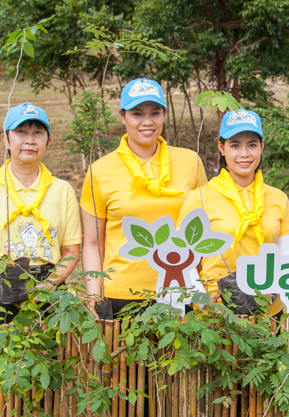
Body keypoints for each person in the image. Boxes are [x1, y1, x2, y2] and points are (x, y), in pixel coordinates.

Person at [0, 103, 82, 391]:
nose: (30, 140)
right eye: (21, 132)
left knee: (47, 372)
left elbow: (71, 252)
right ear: (5, 139)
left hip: (47, 286)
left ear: (48, 141)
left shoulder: (62, 190)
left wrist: (50, 284)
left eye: (38, 133)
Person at [81, 77, 207, 316]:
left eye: (154, 113)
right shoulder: (99, 170)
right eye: (137, 113)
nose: (147, 122)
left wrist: (203, 287)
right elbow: (92, 243)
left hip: (181, 290)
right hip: (122, 294)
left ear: (164, 114)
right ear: (123, 116)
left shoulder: (190, 162)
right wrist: (93, 294)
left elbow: (203, 228)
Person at [176, 109, 289, 309]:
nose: (244, 154)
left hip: (267, 313)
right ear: (221, 148)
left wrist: (276, 293)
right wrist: (202, 300)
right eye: (234, 145)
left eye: (252, 145)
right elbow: (182, 261)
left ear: (261, 147)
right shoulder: (200, 199)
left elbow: (288, 260)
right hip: (215, 316)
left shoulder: (279, 199)